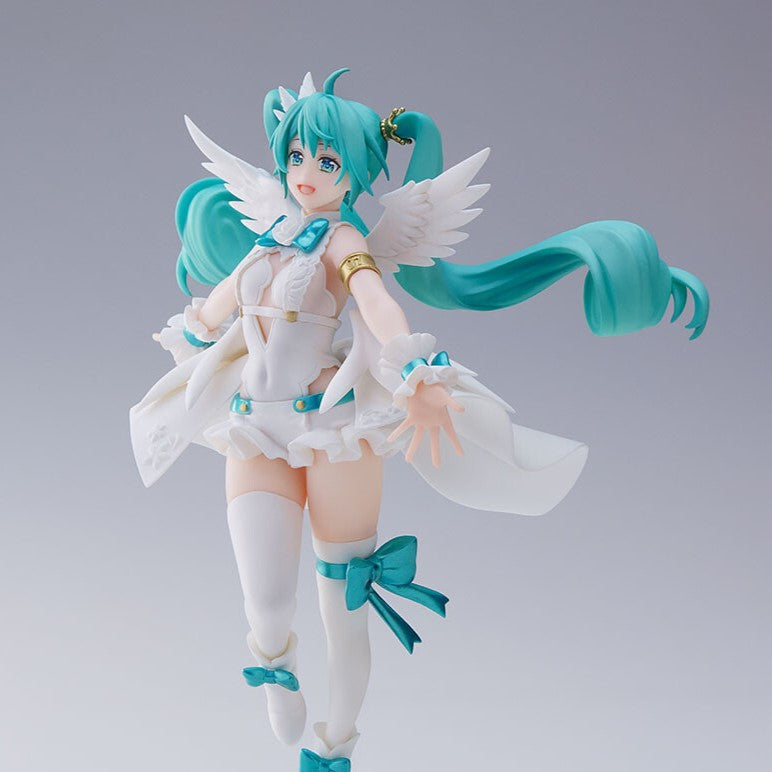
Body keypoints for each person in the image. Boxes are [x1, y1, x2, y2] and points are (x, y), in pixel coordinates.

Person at [130, 69, 709, 772]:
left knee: (342, 605)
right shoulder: (273, 232)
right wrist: (193, 331)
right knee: (267, 600)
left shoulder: (344, 240)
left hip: (332, 428)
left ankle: (334, 743)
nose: (306, 173)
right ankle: (274, 666)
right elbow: (224, 299)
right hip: (255, 424)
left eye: (327, 161)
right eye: (297, 157)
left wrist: (415, 373)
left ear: (354, 172)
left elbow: (378, 304)